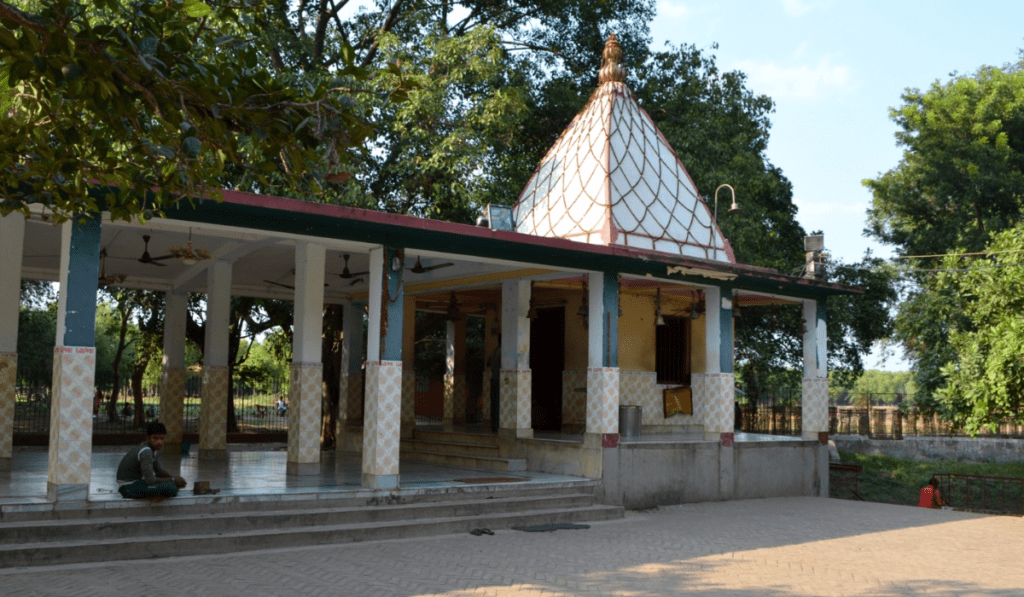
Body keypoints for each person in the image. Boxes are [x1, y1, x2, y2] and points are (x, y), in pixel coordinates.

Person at [116, 421, 187, 500]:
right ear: (147, 438)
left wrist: (175, 479)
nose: (159, 442)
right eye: (155, 438)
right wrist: (173, 479)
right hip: (128, 488)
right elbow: (150, 480)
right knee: (171, 488)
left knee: (171, 484)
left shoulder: (151, 449)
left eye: (162, 438)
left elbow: (158, 471)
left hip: (134, 484)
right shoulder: (146, 452)